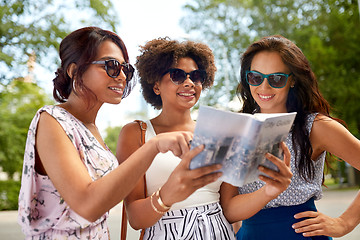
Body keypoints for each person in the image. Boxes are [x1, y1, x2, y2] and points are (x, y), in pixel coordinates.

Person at [17, 27, 219, 240]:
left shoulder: (90, 129)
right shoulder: (52, 119)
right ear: (74, 71)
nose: (122, 76)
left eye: (125, 69)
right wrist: (154, 147)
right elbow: (87, 205)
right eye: (111, 66)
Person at [116, 37, 293, 239]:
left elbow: (229, 210)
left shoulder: (220, 130)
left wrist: (269, 192)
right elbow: (136, 220)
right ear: (156, 85)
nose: (189, 83)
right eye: (177, 75)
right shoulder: (136, 133)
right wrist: (168, 194)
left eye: (196, 76)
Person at [232, 35, 360, 239]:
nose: (264, 87)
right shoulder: (236, 130)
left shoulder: (315, 127)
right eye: (256, 77)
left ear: (292, 80)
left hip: (302, 234)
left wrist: (345, 223)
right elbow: (229, 210)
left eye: (276, 79)